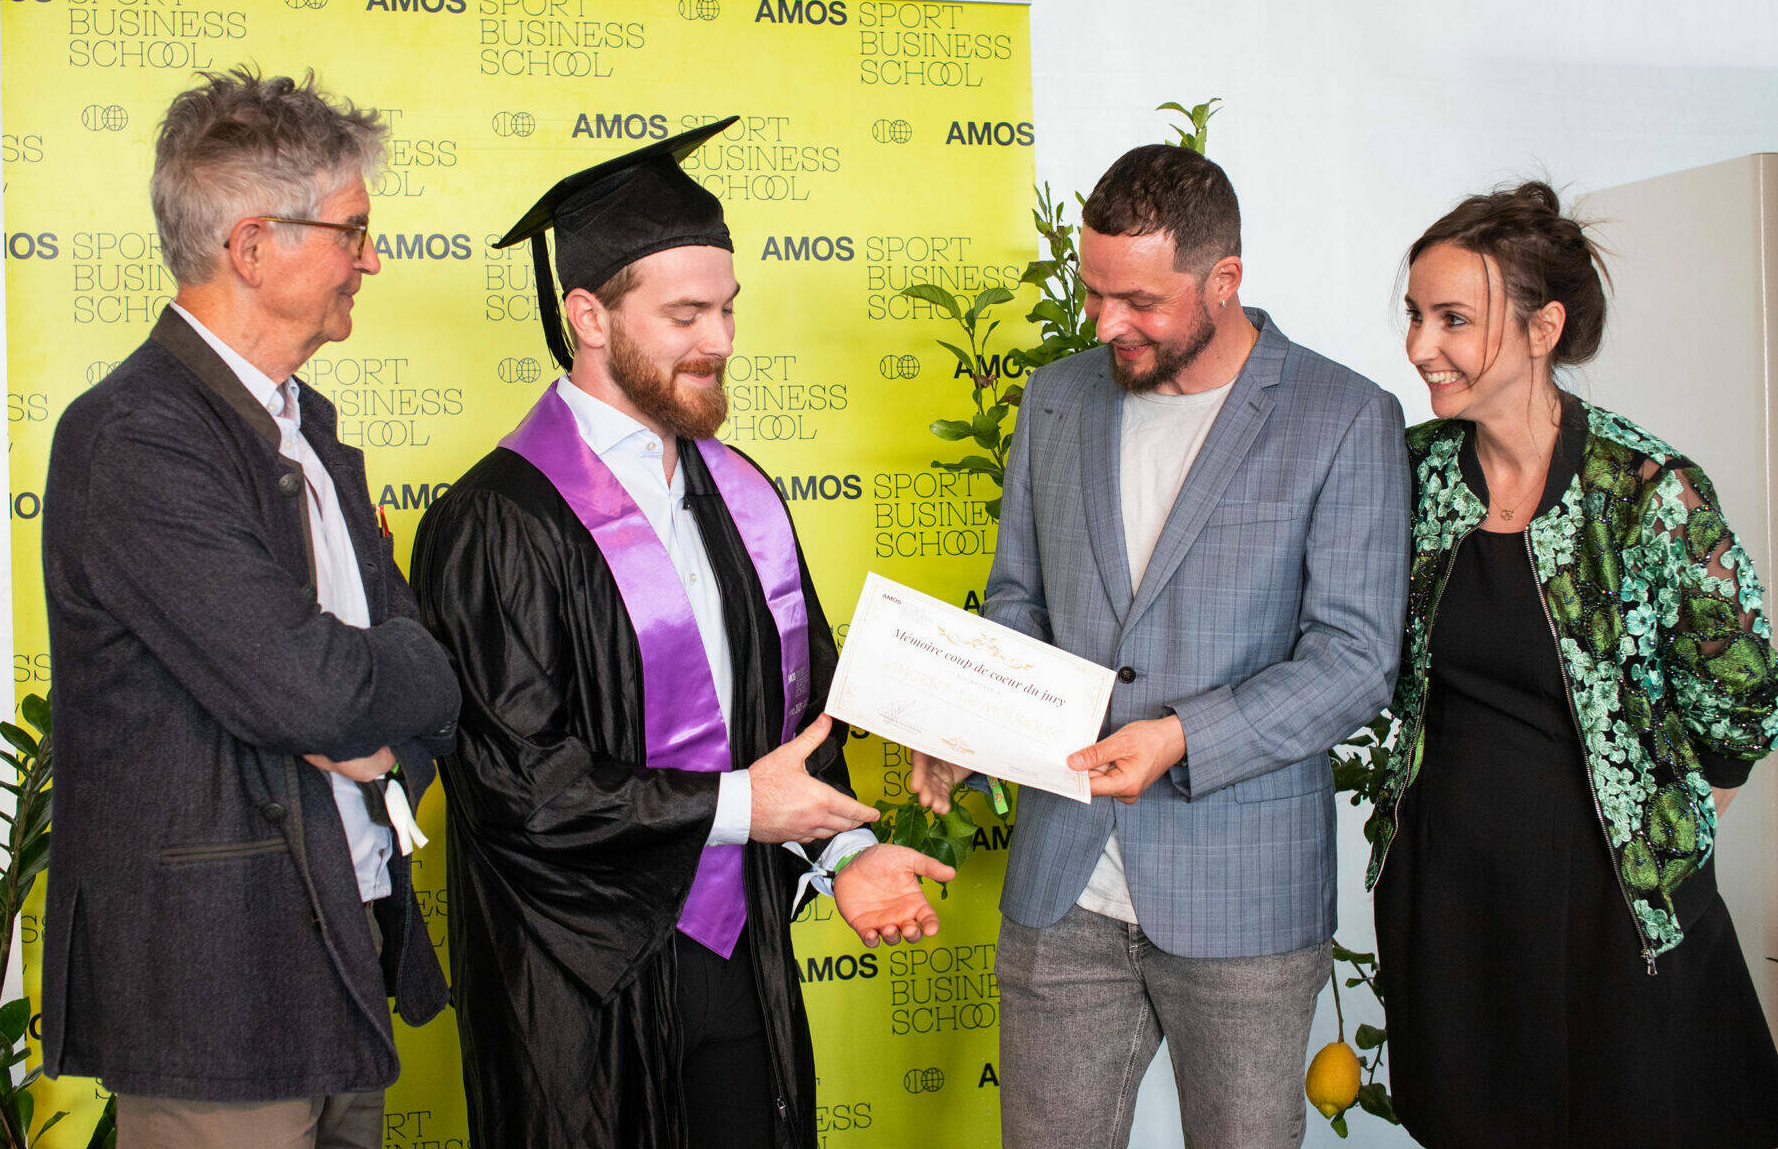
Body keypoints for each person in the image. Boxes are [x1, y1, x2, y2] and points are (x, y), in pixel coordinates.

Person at [409, 117, 955, 1149]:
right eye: (685, 313)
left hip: (738, 961)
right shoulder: (499, 521)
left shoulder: (743, 494)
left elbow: (800, 721)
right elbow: (515, 783)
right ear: (590, 315)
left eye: (729, 308)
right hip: (580, 994)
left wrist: (845, 851)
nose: (721, 340)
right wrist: (748, 805)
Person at [912, 143, 1411, 1148]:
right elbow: (1020, 599)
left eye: (1136, 299)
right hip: (1064, 885)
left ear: (1223, 280)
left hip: (1246, 898)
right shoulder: (1057, 398)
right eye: (1093, 293)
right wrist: (982, 721)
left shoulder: (1344, 416)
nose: (1106, 323)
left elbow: (1356, 660)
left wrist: (1182, 736)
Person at [38, 68, 461, 1149]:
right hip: (220, 991)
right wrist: (369, 694)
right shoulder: (137, 436)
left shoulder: (306, 428)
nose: (373, 258)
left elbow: (419, 672)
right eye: (353, 231)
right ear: (254, 245)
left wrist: (383, 717)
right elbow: (314, 684)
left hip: (342, 948)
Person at [1367, 181, 1778, 1147]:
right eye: (1417, 316)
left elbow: (1743, 702)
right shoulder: (1410, 473)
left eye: (1455, 320)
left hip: (1608, 914)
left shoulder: (1647, 492)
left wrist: (1655, 835)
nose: (1422, 346)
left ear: (1544, 327)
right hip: (1451, 899)